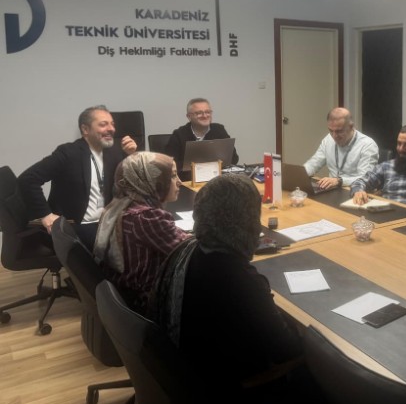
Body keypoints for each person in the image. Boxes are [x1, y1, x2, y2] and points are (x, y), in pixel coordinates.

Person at [150, 174, 324, 402]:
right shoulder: (238, 278)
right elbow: (286, 349)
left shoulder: (186, 249)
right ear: (247, 220)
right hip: (228, 386)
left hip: (185, 369)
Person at [18, 105, 137, 251]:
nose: (111, 128)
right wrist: (46, 215)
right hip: (78, 225)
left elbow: (132, 184)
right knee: (127, 247)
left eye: (112, 124)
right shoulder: (68, 153)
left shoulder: (113, 152)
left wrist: (131, 155)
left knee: (147, 235)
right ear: (85, 129)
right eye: (103, 124)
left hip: (106, 222)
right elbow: (28, 179)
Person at [94, 151, 191, 316]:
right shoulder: (146, 217)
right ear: (152, 180)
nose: (179, 182)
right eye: (173, 176)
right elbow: (189, 251)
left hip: (123, 295)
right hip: (147, 302)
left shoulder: (118, 205)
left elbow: (172, 236)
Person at [303, 107, 379, 190]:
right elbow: (313, 163)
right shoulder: (328, 139)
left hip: (357, 191)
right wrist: (300, 174)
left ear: (351, 127)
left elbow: (366, 179)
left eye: (339, 131)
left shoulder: (368, 145)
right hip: (332, 189)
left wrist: (339, 181)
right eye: (331, 130)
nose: (334, 136)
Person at [165, 97, 239, 181]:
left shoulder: (219, 130)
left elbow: (234, 158)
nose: (205, 116)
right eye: (199, 113)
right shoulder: (179, 134)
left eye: (207, 112)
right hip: (188, 181)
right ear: (189, 116)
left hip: (217, 179)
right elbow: (170, 164)